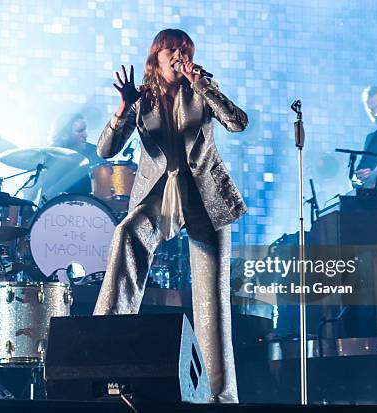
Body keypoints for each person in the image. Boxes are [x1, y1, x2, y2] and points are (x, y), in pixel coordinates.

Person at [93, 29, 248, 403]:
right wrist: (123, 108)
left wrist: (205, 86)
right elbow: (105, 150)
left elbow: (238, 122)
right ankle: (103, 351)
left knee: (213, 299)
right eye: (171, 50)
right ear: (156, 59)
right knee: (128, 234)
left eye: (185, 50)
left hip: (205, 194)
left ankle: (220, 396)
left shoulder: (202, 89)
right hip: (161, 194)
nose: (178, 55)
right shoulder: (140, 99)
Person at [23, 113, 102, 204]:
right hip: (49, 213)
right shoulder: (47, 155)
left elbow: (107, 186)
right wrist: (26, 208)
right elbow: (30, 191)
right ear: (64, 134)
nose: (85, 135)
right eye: (80, 131)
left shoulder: (94, 152)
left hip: (87, 212)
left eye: (85, 130)